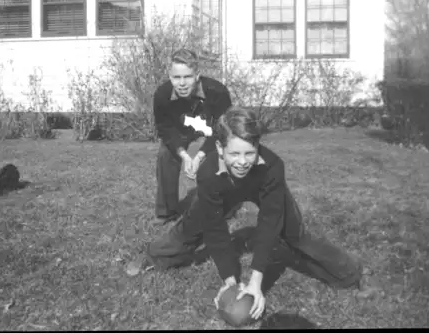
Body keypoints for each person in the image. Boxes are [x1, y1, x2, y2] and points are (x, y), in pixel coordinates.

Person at [136, 106, 368, 320]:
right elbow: (215, 229)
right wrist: (229, 280)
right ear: (219, 148)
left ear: (258, 147)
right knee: (193, 224)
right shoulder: (207, 173)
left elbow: (269, 222)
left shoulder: (272, 166)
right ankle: (155, 257)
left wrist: (256, 280)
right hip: (223, 187)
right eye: (234, 154)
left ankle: (350, 272)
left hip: (261, 188)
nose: (242, 162)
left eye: (249, 153)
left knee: (295, 234)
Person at [152, 48, 232, 225]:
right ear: (170, 76)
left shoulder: (217, 92)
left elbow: (222, 130)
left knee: (220, 155)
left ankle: (220, 206)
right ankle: (166, 212)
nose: (181, 83)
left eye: (187, 77)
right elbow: (166, 130)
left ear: (197, 75)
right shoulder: (162, 95)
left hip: (210, 132)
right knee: (165, 155)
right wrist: (184, 155)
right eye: (176, 77)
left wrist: (200, 156)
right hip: (181, 132)